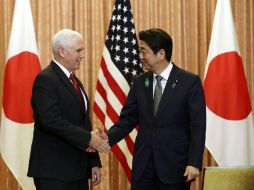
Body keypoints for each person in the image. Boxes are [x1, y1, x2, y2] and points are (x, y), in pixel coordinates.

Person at [105, 28, 206, 190]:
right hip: (143, 167)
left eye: (144, 51)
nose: (140, 56)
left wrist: (194, 162)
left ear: (160, 54)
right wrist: (105, 140)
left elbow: (198, 126)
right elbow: (127, 120)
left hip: (174, 167)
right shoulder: (139, 82)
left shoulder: (189, 82)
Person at [27, 29, 110, 190]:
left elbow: (84, 123)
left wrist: (93, 162)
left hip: (77, 171)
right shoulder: (46, 79)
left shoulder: (75, 81)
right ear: (62, 52)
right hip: (54, 172)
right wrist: (88, 138)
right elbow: (49, 121)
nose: (83, 55)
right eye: (79, 50)